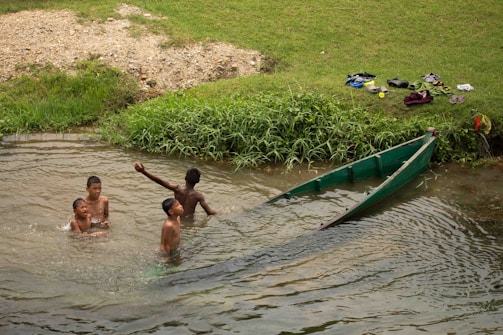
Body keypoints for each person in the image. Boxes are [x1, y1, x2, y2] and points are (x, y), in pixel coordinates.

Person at [134, 162, 216, 216]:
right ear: (198, 181)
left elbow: (161, 182)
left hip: (175, 218)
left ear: (185, 178)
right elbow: (209, 212)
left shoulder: (177, 189)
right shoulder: (198, 196)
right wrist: (223, 212)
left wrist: (144, 172)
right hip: (188, 222)